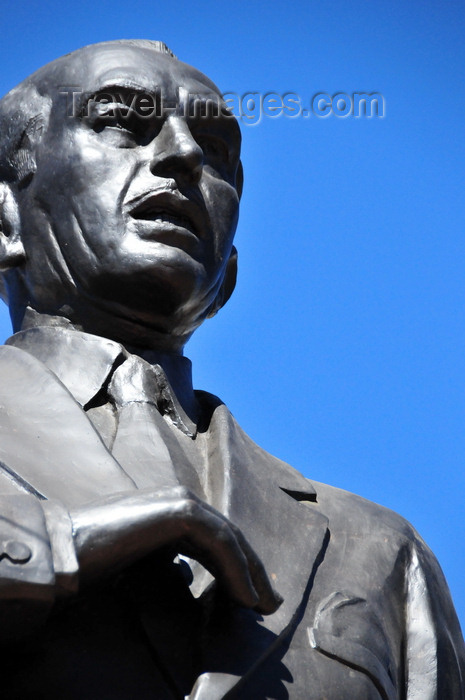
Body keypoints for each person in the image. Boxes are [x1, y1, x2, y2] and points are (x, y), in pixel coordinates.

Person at [0, 39, 462, 700]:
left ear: (229, 273)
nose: (185, 154)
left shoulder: (382, 554)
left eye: (215, 149)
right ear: (3, 218)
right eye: (119, 123)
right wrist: (73, 543)